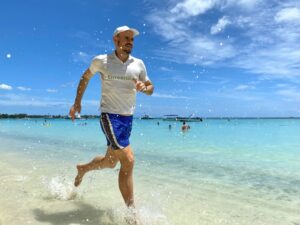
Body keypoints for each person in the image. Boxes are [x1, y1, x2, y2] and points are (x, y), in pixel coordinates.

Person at [69, 25, 154, 210]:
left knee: (111, 161)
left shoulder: (138, 64)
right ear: (115, 40)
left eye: (132, 39)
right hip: (109, 116)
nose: (130, 42)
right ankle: (133, 217)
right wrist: (77, 103)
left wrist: (144, 88)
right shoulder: (102, 61)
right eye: (126, 38)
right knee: (128, 160)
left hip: (127, 119)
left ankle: (83, 168)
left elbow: (150, 88)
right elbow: (85, 78)